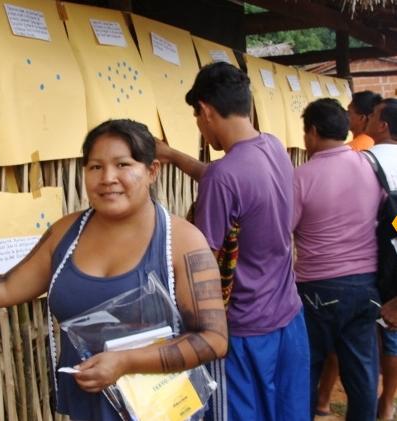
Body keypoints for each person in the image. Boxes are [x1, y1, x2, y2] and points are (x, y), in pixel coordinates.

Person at [0, 119, 228, 421]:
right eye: (95, 167)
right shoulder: (66, 232)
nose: (108, 178)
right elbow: (8, 287)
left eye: (123, 164)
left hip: (162, 409)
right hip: (88, 405)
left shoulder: (182, 242)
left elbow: (213, 340)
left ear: (152, 170)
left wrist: (126, 362)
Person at [155, 62, 309, 421]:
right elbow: (230, 182)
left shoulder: (224, 177)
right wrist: (173, 155)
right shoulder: (271, 147)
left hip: (242, 332)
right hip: (288, 318)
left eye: (196, 116)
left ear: (206, 110)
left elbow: (202, 265)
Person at [293, 98, 383, 421]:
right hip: (365, 288)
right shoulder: (370, 168)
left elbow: (284, 230)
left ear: (313, 133)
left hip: (316, 288)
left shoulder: (301, 177)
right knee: (361, 372)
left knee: (307, 367)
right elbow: (389, 220)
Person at [367, 98, 397, 421]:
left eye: (373, 116)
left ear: (384, 124)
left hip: (372, 253)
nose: (368, 120)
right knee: (391, 332)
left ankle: (381, 400)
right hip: (392, 248)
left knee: (378, 327)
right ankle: (388, 401)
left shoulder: (366, 160)